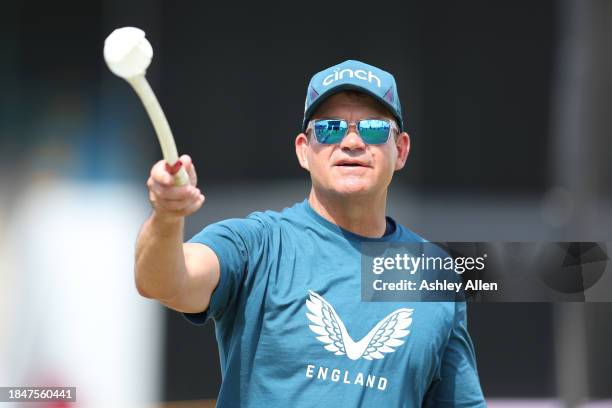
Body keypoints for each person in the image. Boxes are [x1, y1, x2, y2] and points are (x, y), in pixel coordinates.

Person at [135, 60, 486, 407]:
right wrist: (167, 215)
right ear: (304, 150)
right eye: (331, 128)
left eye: (374, 128)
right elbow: (163, 282)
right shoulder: (259, 244)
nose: (352, 142)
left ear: (401, 150)